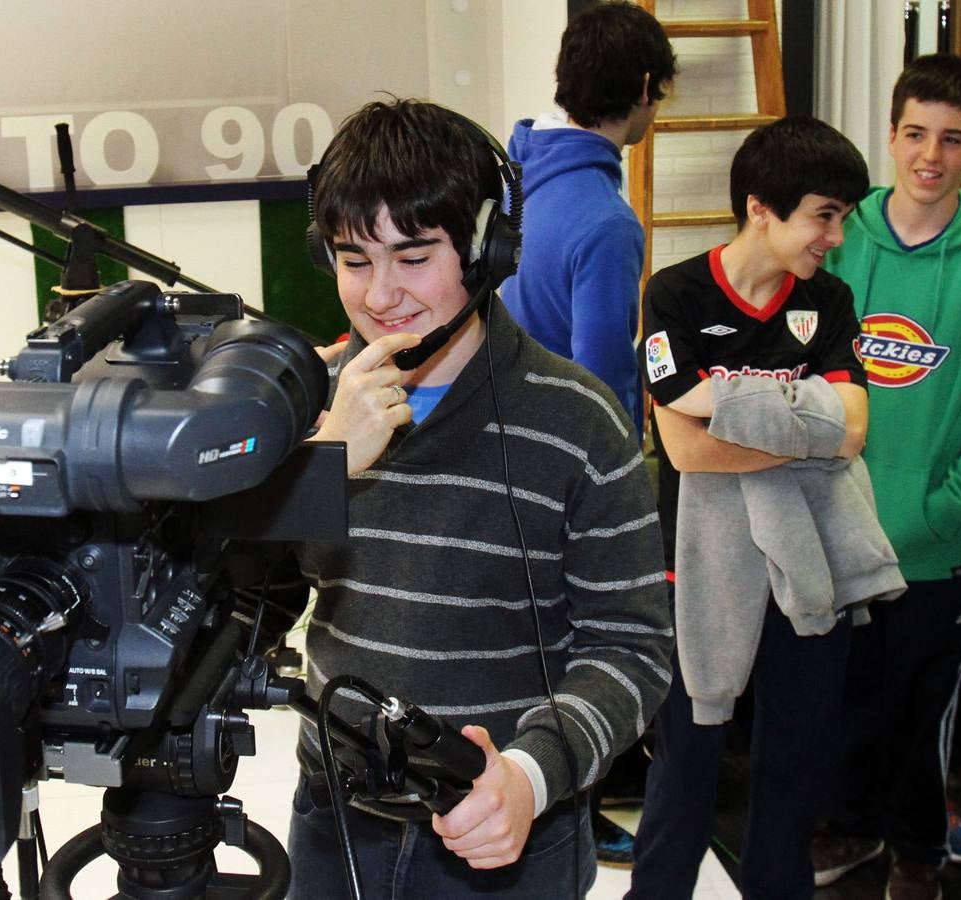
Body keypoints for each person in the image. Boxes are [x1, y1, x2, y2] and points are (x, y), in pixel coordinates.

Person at [288, 97, 672, 899]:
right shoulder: (309, 405)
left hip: (510, 830)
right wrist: (323, 466)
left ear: (487, 249)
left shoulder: (578, 424)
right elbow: (237, 597)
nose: (381, 296)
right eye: (354, 261)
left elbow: (631, 648)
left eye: (413, 256)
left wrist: (529, 778)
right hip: (334, 820)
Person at [626, 116, 891, 900]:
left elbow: (850, 433)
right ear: (759, 208)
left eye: (842, 217)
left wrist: (731, 403)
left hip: (806, 567)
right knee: (686, 767)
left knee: (790, 773)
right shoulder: (673, 293)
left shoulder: (830, 301)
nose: (834, 237)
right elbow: (683, 448)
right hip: (698, 572)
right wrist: (798, 415)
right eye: (823, 215)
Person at [811, 54, 961, 900]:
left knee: (920, 714)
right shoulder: (840, 236)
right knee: (842, 702)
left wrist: (942, 508)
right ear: (891, 134)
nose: (927, 156)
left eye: (950, 139)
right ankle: (849, 831)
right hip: (832, 530)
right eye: (913, 134)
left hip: (938, 548)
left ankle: (917, 855)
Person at [500, 0, 676, 437]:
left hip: (505, 421)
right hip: (563, 449)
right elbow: (604, 381)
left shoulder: (513, 173)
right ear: (645, 86)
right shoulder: (606, 223)